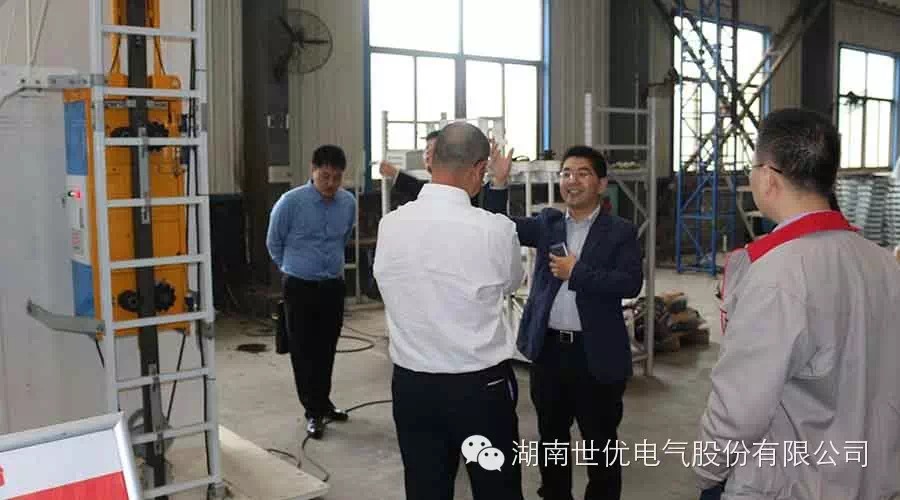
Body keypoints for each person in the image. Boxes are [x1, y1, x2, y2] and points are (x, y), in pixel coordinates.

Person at [694, 108, 900, 499]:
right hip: (869, 480)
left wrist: (708, 471)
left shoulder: (777, 275)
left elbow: (740, 408)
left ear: (767, 177)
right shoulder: (882, 263)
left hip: (790, 484)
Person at [373, 122, 525, 500]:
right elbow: (511, 283)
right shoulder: (495, 230)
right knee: (497, 489)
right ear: (479, 169)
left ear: (433, 160)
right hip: (480, 389)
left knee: (426, 488)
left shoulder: (390, 226)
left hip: (413, 387)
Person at [486, 145, 644, 500]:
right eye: (566, 173)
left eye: (583, 173)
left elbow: (629, 283)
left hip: (596, 354)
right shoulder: (549, 224)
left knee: (600, 442)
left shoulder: (620, 231)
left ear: (601, 184)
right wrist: (498, 182)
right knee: (551, 439)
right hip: (550, 352)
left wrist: (578, 272)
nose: (572, 181)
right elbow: (499, 228)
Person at [266, 144, 356, 440]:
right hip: (300, 287)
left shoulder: (348, 203)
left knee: (326, 347)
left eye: (337, 178)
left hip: (333, 286)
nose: (331, 184)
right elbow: (274, 242)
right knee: (303, 350)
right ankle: (312, 411)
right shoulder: (291, 202)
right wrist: (292, 267)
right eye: (325, 176)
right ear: (313, 171)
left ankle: (323, 401)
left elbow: (344, 237)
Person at [379, 129, 439, 199]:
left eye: (431, 146)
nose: (427, 152)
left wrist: (395, 173)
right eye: (426, 147)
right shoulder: (432, 183)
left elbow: (423, 193)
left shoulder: (443, 187)